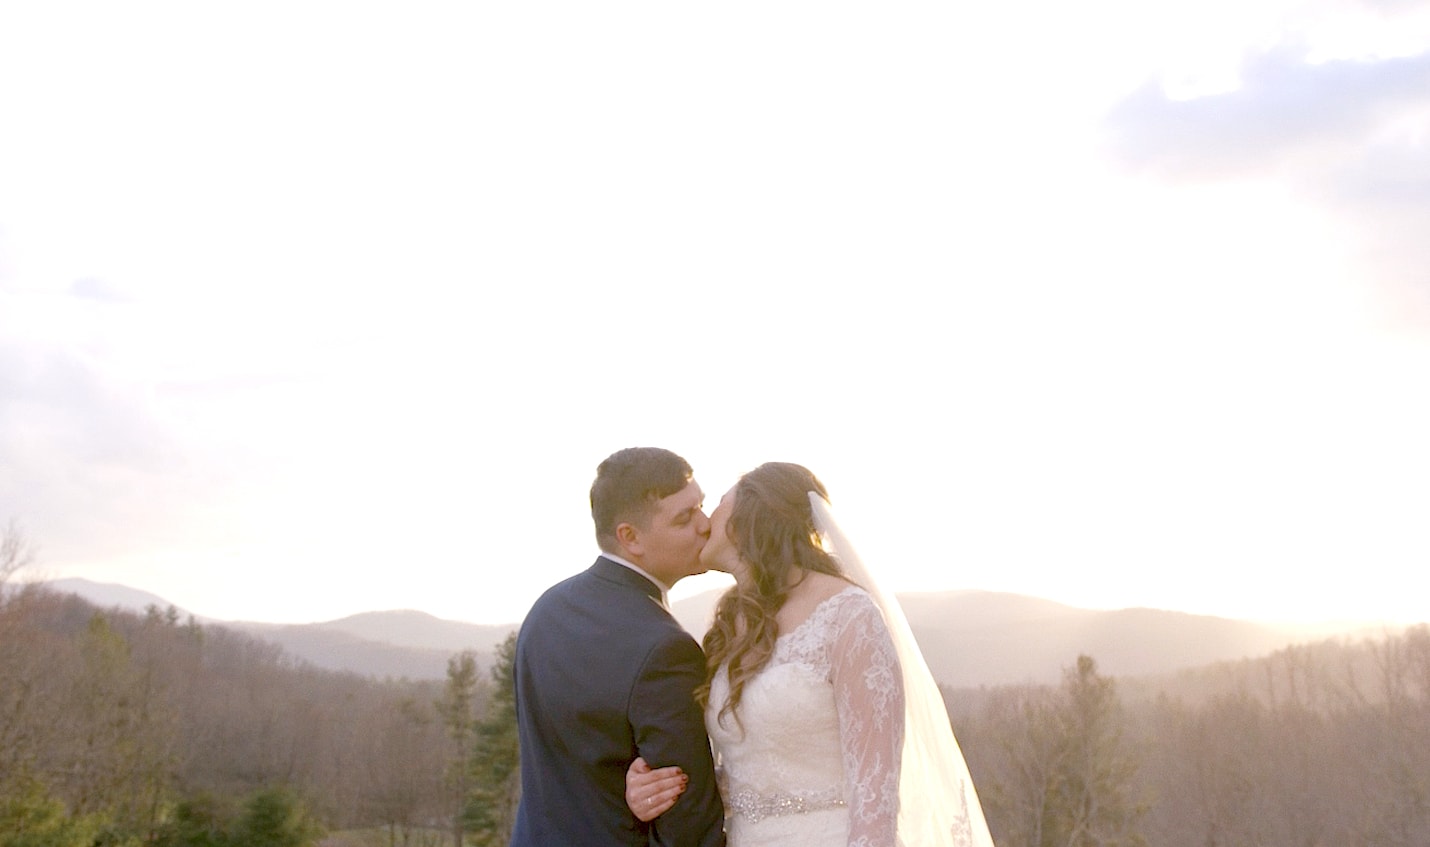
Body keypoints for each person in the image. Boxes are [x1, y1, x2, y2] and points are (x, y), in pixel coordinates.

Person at [625, 462, 993, 846]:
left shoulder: (848, 615)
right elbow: (749, 774)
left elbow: (875, 797)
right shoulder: (733, 624)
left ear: (748, 519)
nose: (704, 522)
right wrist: (656, 787)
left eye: (716, 504)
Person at [510, 447, 726, 847]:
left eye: (701, 506)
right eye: (685, 518)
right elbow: (689, 820)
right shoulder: (666, 649)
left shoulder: (547, 609)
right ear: (630, 537)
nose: (705, 525)